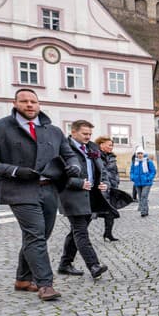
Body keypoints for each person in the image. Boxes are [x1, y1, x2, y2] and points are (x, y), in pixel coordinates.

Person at [0, 89, 77, 301]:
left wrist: (74, 165)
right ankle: (45, 285)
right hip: (19, 189)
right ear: (15, 103)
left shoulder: (53, 130)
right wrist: (12, 170)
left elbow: (69, 154)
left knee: (39, 236)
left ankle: (22, 279)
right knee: (36, 234)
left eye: (33, 101)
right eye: (24, 101)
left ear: (39, 104)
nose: (29, 105)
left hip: (48, 189)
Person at [57, 120, 110, 280]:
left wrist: (104, 183)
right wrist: (78, 183)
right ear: (73, 132)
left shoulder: (92, 148)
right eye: (84, 134)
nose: (88, 137)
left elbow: (102, 169)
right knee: (81, 231)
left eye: (89, 134)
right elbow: (58, 174)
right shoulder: (64, 148)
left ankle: (65, 264)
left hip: (91, 196)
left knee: (75, 232)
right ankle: (94, 265)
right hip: (72, 196)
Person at [96, 137, 121, 241]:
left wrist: (117, 181)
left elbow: (115, 171)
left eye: (112, 145)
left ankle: (108, 234)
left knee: (111, 212)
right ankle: (79, 235)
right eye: (109, 145)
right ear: (101, 145)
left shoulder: (112, 157)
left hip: (112, 188)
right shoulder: (95, 156)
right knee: (90, 214)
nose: (111, 147)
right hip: (100, 189)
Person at [130, 147, 156, 217]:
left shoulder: (148, 161)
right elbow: (131, 171)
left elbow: (153, 171)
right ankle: (144, 210)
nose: (140, 155)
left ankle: (143, 212)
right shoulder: (135, 162)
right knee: (140, 196)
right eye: (138, 153)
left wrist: (149, 178)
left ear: (143, 154)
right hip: (137, 183)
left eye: (141, 153)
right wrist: (133, 177)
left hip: (147, 182)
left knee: (144, 196)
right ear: (136, 154)